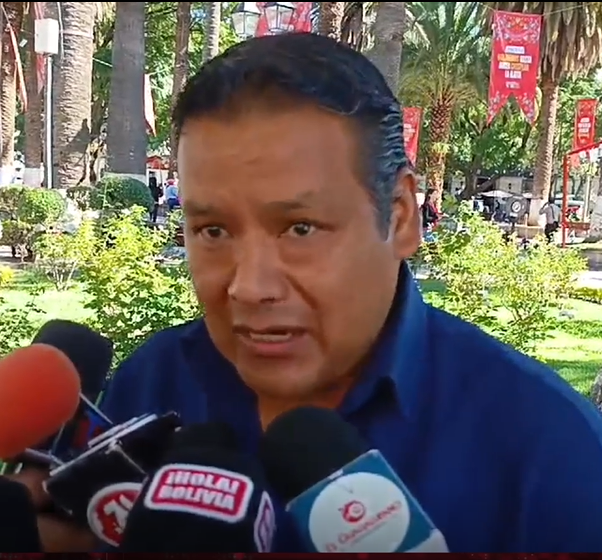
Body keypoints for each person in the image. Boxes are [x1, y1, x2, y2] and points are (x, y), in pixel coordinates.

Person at [10, 33, 602, 553]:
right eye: (212, 231)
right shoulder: (151, 384)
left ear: (400, 217)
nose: (249, 286)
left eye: (300, 229)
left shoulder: (551, 453)